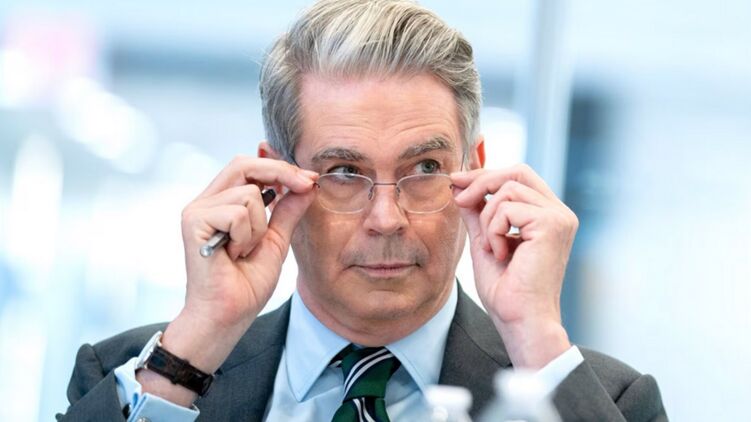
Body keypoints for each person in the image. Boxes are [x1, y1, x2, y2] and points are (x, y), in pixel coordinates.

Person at [58, 0, 667, 421]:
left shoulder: (608, 400)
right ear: (274, 183)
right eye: (344, 173)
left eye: (424, 168)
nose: (386, 219)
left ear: (474, 171)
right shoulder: (133, 377)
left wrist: (535, 342)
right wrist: (196, 345)